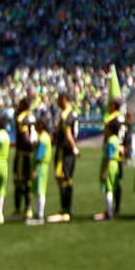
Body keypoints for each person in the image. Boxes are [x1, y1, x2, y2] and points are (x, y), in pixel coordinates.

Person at [52, 91, 79, 222]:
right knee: (65, 178)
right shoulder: (73, 113)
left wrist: (74, 147)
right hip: (67, 151)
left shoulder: (66, 114)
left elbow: (67, 133)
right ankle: (66, 209)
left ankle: (65, 209)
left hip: (64, 150)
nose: (57, 102)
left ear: (64, 99)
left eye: (58, 99)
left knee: (63, 178)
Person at [94, 116, 122, 221]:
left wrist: (104, 171)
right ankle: (110, 211)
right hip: (115, 165)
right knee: (111, 188)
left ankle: (109, 212)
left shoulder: (111, 141)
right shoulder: (115, 139)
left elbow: (109, 156)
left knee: (108, 189)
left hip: (110, 165)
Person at [13, 95, 36, 219]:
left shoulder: (21, 118)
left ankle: (18, 209)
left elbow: (25, 135)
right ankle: (28, 208)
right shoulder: (32, 116)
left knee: (19, 181)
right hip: (31, 154)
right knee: (28, 181)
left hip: (23, 153)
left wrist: (29, 144)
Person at [29, 117, 53, 224]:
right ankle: (39, 212)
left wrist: (34, 169)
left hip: (41, 166)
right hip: (43, 166)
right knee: (40, 189)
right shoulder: (45, 137)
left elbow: (39, 155)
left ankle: (40, 214)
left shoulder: (43, 138)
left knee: (40, 189)